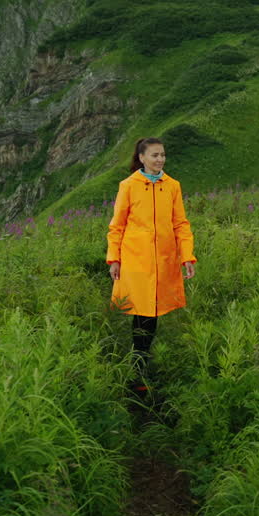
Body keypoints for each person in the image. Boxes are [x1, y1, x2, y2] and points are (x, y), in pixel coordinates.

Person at [106, 137, 196, 396]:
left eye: (163, 155)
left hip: (163, 259)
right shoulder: (129, 186)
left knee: (152, 312)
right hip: (136, 260)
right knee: (143, 312)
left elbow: (181, 224)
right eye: (155, 155)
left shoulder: (172, 186)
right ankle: (138, 368)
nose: (160, 160)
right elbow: (117, 225)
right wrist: (114, 259)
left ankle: (140, 362)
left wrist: (186, 257)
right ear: (142, 158)